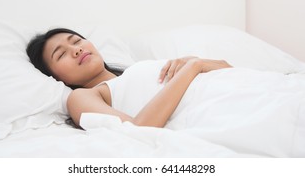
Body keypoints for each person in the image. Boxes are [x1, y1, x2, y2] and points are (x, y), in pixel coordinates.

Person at [26, 28, 232, 129]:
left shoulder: (138, 70)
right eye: (61, 54)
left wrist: (193, 62)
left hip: (230, 88)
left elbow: (226, 67)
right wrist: (193, 67)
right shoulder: (82, 97)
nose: (77, 49)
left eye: (77, 40)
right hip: (215, 110)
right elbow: (139, 129)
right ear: (54, 77)